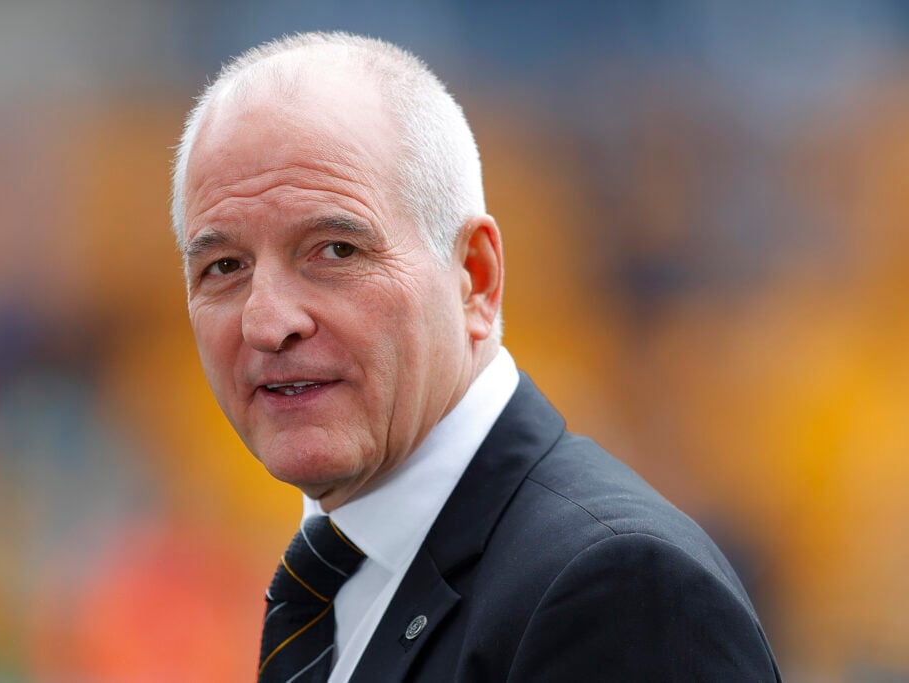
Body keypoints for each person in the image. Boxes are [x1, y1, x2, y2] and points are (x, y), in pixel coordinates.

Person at [172, 31, 781, 682]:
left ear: (475, 277)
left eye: (335, 250)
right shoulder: (341, 575)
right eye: (224, 266)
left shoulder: (619, 592)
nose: (267, 321)